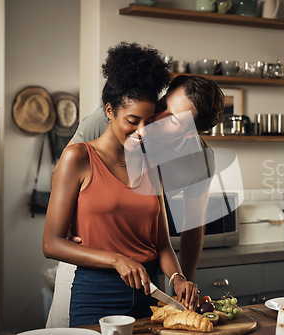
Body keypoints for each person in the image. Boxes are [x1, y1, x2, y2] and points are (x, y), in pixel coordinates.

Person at [43, 42, 223, 327]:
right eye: (163, 106)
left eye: (172, 119)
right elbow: (64, 172)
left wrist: (180, 281)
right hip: (91, 260)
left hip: (145, 280)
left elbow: (190, 228)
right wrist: (67, 220)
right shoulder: (111, 118)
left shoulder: (195, 159)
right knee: (62, 326)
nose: (154, 121)